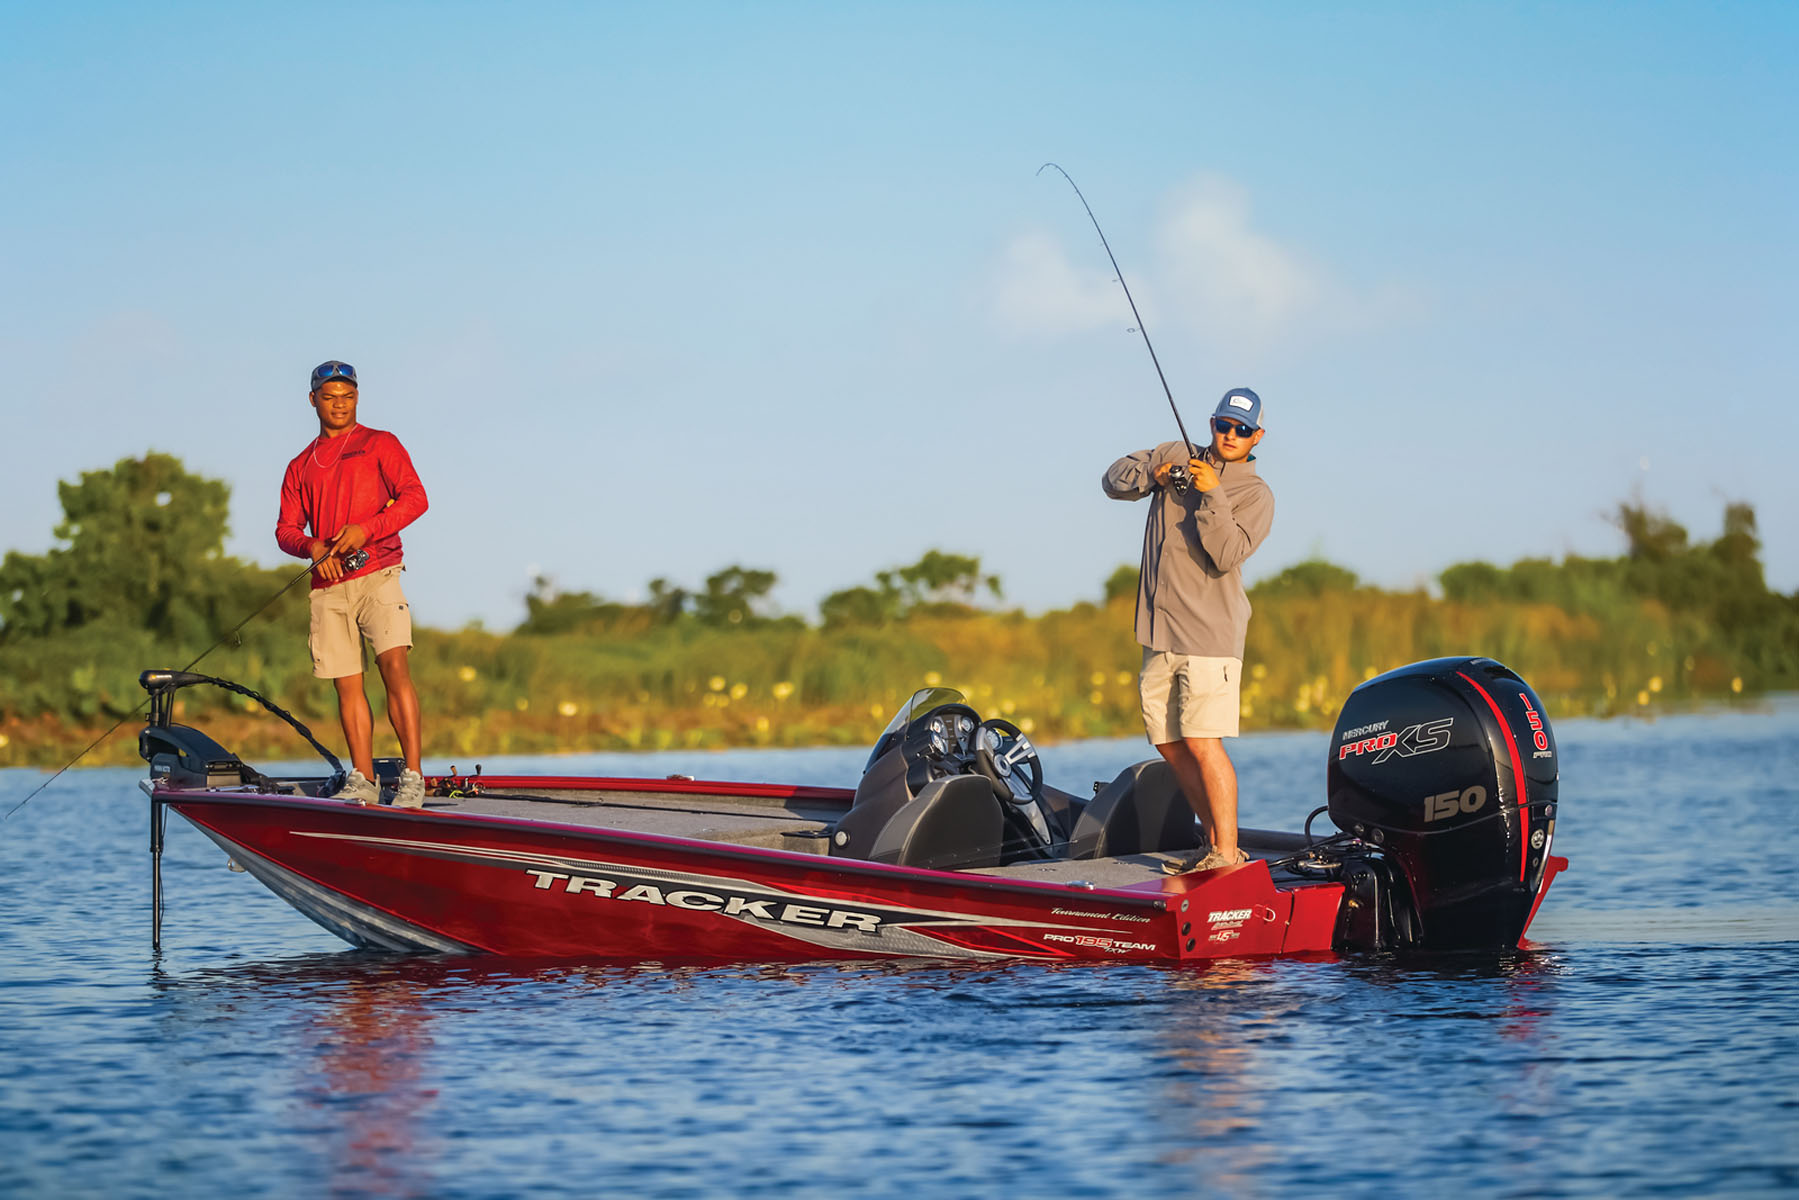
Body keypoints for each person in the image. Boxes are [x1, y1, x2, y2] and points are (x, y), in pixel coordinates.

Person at [1102, 387, 1275, 873]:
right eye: (1225, 425)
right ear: (1213, 423)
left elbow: (1226, 553)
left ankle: (1227, 852)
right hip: (1158, 632)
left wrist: (1211, 494)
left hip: (1210, 637)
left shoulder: (1256, 495)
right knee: (1168, 741)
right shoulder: (1175, 453)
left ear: (1256, 436)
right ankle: (1213, 842)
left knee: (1203, 740)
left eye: (1242, 430)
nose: (1231, 436)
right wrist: (1153, 475)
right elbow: (1113, 480)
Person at [276, 361, 430, 807]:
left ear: (356, 398)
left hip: (379, 573)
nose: (338, 404)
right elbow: (286, 529)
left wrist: (368, 529)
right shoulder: (300, 465)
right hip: (328, 589)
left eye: (346, 396)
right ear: (313, 401)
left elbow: (416, 498)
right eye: (329, 397)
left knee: (394, 669)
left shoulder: (380, 444)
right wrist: (312, 548)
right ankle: (362, 778)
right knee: (347, 686)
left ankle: (413, 777)